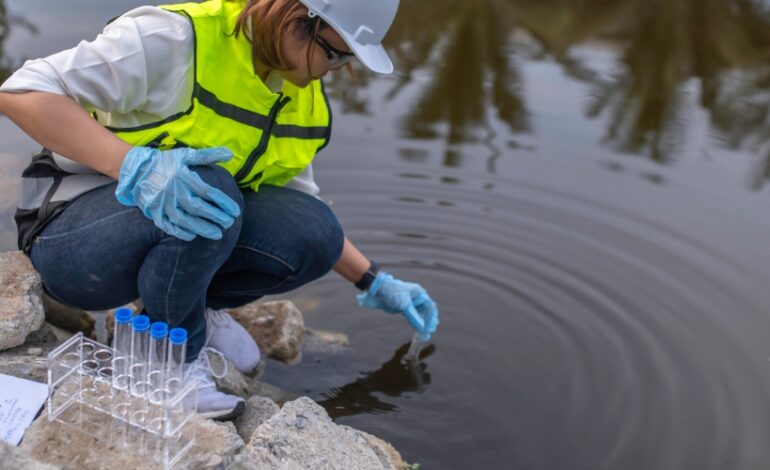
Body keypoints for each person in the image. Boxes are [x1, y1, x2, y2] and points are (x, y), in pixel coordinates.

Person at [0, 0, 439, 420]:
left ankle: (183, 313)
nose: (335, 72)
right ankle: (171, 362)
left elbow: (301, 206)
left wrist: (375, 279)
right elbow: (22, 91)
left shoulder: (305, 102)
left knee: (314, 231)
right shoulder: (175, 39)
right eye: (334, 55)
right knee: (211, 188)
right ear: (294, 17)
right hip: (68, 237)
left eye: (345, 62)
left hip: (169, 230)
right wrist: (133, 164)